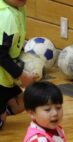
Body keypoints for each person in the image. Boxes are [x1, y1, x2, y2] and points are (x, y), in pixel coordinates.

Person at [0, 0, 36, 129]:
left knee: (23, 103)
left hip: (4, 75)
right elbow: (1, 55)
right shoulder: (6, 16)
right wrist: (22, 75)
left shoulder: (19, 8)